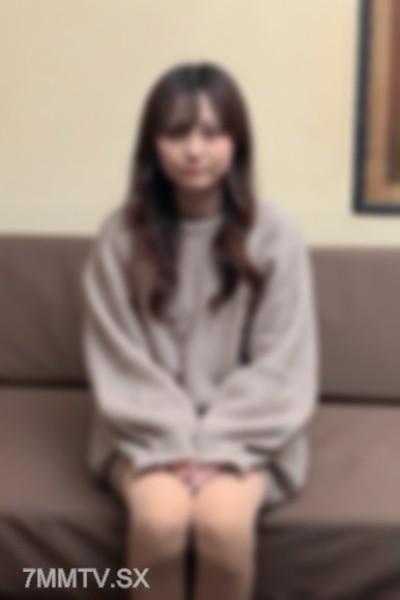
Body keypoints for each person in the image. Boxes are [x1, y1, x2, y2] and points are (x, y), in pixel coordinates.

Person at [81, 62, 320, 600]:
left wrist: (214, 445)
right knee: (160, 524)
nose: (194, 150)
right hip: (144, 431)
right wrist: (174, 443)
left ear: (237, 141)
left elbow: (282, 363)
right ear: (153, 144)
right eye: (176, 133)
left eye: (212, 133)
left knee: (222, 527)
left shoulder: (276, 235)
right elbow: (118, 360)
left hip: (251, 433)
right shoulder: (119, 238)